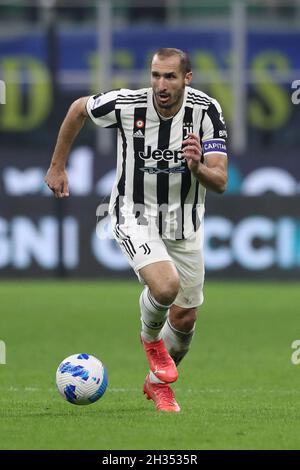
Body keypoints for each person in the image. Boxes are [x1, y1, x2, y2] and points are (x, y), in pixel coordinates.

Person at [45, 48, 228, 413]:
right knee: (164, 286)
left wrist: (197, 168)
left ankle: (157, 383)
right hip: (134, 212)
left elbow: (220, 180)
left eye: (170, 77)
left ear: (187, 79)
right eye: (156, 75)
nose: (161, 84)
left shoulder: (206, 111)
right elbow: (79, 108)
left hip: (185, 224)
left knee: (185, 318)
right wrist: (57, 166)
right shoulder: (128, 105)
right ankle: (150, 342)